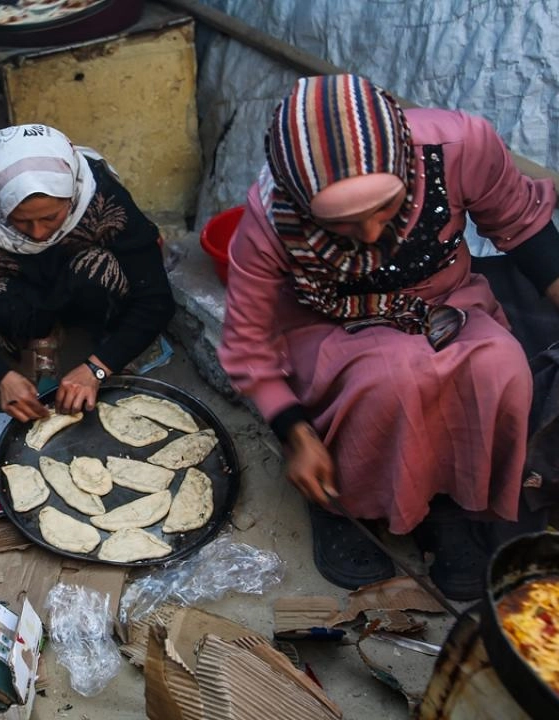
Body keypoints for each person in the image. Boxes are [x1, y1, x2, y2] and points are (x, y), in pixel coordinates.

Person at [218, 74, 559, 600]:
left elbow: (523, 225)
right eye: (345, 224)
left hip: (443, 301)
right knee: (393, 378)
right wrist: (297, 435)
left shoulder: (460, 147)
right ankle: (343, 503)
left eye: (385, 207)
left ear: (404, 163)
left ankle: (444, 505)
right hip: (329, 324)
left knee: (500, 366)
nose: (373, 234)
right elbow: (247, 345)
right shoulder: (272, 217)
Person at [0, 124, 176, 422]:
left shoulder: (103, 201)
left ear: (72, 194)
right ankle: (35, 342)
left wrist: (98, 368)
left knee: (101, 272)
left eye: (51, 217)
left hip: (82, 283)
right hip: (20, 291)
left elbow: (155, 298)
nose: (38, 233)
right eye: (20, 221)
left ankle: (104, 341)